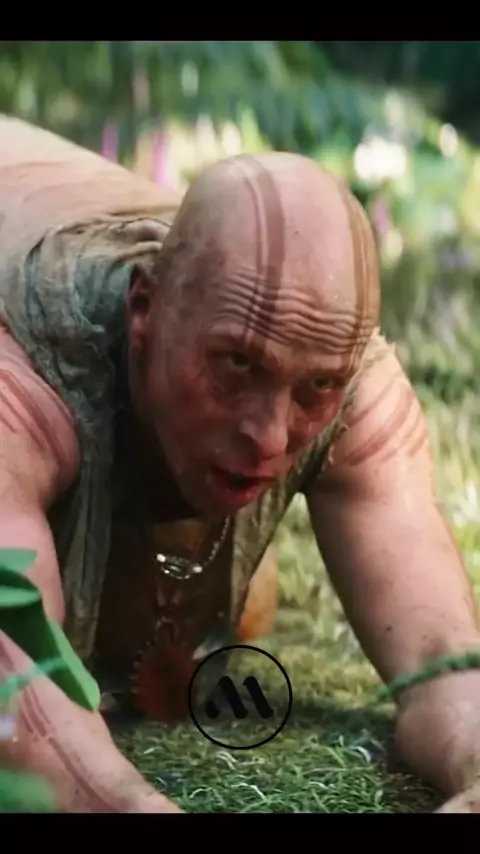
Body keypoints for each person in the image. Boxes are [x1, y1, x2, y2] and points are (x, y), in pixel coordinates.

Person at [0, 115, 479, 815]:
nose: (270, 436)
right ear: (144, 308)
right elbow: (20, 694)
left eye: (316, 387)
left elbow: (447, 663)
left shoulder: (347, 374)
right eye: (236, 364)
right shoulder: (24, 382)